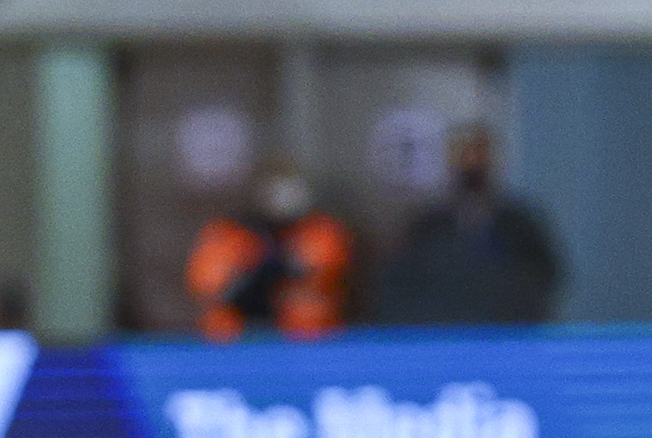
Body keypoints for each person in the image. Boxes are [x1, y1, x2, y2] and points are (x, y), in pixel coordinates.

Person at [374, 124, 560, 325]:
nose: (471, 161)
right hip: (443, 336)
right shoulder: (428, 226)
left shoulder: (519, 223)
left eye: (478, 152)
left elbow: (547, 275)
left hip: (507, 334)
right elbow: (398, 284)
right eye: (462, 152)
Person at [185, 156, 354, 340]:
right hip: (236, 337)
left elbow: (323, 271)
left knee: (307, 311)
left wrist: (284, 265)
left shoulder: (321, 229)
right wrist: (250, 271)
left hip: (303, 338)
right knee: (220, 323)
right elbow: (208, 287)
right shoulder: (227, 233)